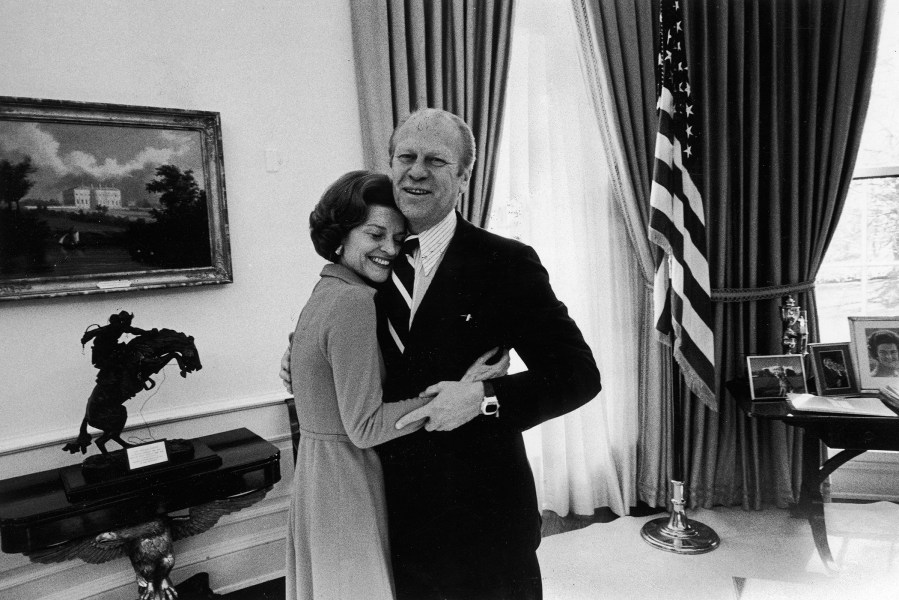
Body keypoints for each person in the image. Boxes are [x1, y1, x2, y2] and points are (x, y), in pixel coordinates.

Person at [285, 108, 601, 598]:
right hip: (386, 515)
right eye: (405, 157)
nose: (415, 171)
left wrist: (484, 396)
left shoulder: (508, 264)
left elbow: (578, 376)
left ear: (464, 177)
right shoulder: (370, 258)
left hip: (481, 519)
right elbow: (334, 340)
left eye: (435, 161)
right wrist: (297, 359)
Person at [283, 170, 508, 600]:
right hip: (347, 480)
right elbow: (364, 427)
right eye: (375, 234)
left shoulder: (326, 288)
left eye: (397, 237)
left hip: (317, 477)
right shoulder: (354, 301)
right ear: (340, 234)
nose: (389, 248)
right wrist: (454, 393)